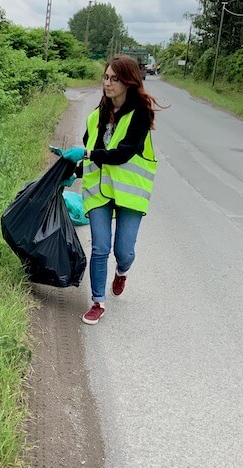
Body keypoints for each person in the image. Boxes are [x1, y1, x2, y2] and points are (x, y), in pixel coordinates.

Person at [60, 55, 165, 325]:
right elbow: (92, 156)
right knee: (100, 247)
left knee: (124, 251)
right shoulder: (96, 116)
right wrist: (72, 173)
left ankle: (121, 271)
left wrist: (85, 152)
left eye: (114, 79)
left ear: (129, 82)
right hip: (98, 191)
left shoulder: (141, 114)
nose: (108, 83)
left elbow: (122, 154)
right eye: (106, 77)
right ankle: (97, 301)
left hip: (129, 194)